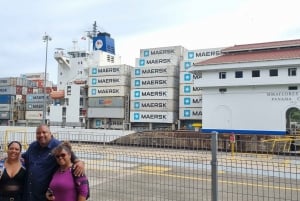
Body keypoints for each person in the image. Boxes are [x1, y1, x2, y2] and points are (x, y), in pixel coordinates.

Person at [22, 124, 85, 201]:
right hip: (29, 195)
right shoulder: (33, 146)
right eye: (38, 133)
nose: (41, 135)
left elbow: (68, 154)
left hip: (44, 196)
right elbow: (24, 157)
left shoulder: (57, 145)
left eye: (44, 132)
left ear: (50, 133)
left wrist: (79, 162)